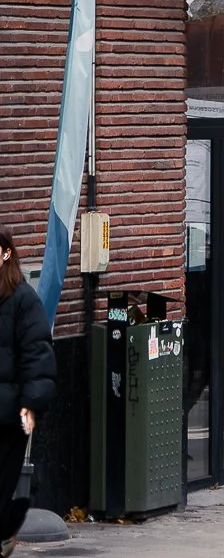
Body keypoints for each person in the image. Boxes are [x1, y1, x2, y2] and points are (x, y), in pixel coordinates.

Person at [0, 228, 55, 557]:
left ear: (6, 253)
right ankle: (7, 526)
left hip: (7, 416)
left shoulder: (22, 299)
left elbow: (37, 353)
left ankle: (8, 523)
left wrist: (29, 405)